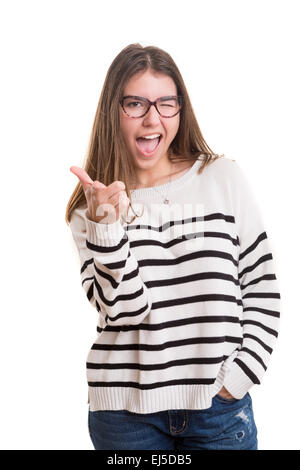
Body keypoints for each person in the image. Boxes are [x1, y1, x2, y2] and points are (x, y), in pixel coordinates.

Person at [65, 43, 281, 450]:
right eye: (135, 104)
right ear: (113, 110)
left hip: (217, 411)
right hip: (124, 418)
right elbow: (125, 312)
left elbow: (262, 287)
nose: (153, 118)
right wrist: (107, 228)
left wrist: (238, 378)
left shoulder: (222, 178)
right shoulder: (89, 210)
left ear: (181, 109)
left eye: (167, 103)